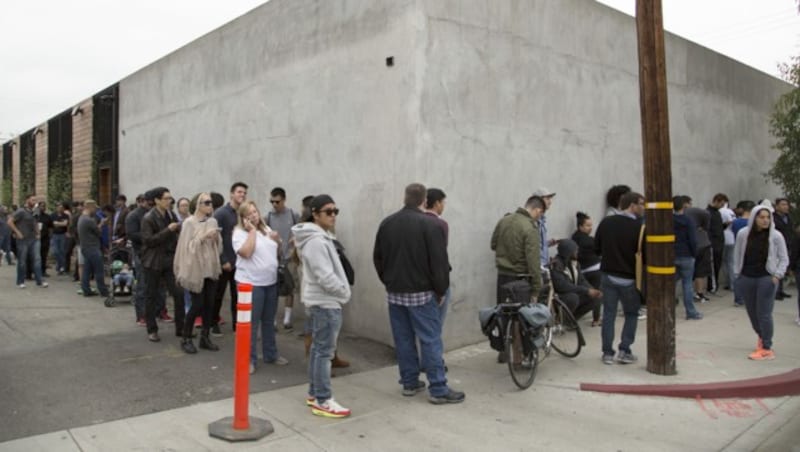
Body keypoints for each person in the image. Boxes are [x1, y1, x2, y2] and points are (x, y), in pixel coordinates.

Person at [374, 183, 464, 405]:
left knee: (403, 339)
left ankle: (409, 382)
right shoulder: (429, 225)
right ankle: (438, 388)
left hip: (395, 293)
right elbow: (439, 262)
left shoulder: (387, 223)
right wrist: (440, 289)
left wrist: (389, 281)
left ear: (405, 198)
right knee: (430, 339)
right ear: (424, 201)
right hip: (422, 293)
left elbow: (378, 258)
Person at [293, 194, 353, 417]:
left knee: (319, 351)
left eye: (335, 211)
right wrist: (343, 291)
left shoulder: (319, 237)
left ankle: (314, 393)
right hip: (325, 303)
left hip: (323, 302)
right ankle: (323, 399)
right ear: (315, 214)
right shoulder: (316, 241)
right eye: (328, 211)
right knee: (324, 353)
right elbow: (324, 276)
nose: (333, 215)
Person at [233, 200, 288, 372]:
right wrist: (251, 232)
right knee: (251, 324)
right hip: (251, 283)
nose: (253, 216)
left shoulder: (266, 229)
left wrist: (278, 241)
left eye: (254, 212)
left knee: (268, 321)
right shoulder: (239, 233)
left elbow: (276, 252)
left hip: (269, 282)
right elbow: (246, 253)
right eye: (248, 214)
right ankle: (249, 359)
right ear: (242, 218)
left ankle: (271, 354)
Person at [733, 203, 789, 361]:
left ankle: (767, 347)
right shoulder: (743, 234)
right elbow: (737, 254)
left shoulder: (776, 236)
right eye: (761, 217)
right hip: (747, 277)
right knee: (752, 313)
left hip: (766, 278)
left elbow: (784, 258)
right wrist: (738, 274)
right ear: (754, 218)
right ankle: (762, 336)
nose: (765, 221)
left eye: (768, 218)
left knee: (764, 313)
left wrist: (777, 275)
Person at [595, 191, 645, 365]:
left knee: (608, 315)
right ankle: (624, 350)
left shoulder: (606, 222)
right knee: (631, 314)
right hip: (630, 278)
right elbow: (644, 254)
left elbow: (597, 247)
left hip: (608, 275)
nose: (643, 208)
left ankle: (607, 353)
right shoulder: (640, 228)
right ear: (632, 205)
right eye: (641, 204)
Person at [173, 192, 222, 354]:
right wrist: (203, 237)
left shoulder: (213, 221)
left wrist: (215, 238)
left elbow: (218, 247)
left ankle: (205, 337)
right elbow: (185, 248)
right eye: (207, 202)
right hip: (196, 269)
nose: (210, 205)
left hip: (211, 267)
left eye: (211, 203)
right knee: (197, 304)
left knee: (210, 304)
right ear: (198, 205)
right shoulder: (189, 223)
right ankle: (186, 338)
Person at [141, 187, 184, 343]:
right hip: (153, 261)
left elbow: (173, 237)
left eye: (170, 198)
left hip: (169, 259)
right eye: (166, 198)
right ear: (157, 200)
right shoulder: (148, 217)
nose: (169, 201)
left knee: (179, 294)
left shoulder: (171, 214)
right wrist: (168, 230)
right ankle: (152, 329)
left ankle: (181, 328)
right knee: (151, 295)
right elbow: (149, 241)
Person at [213, 182, 248, 335]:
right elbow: (215, 239)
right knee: (217, 296)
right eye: (239, 192)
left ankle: (237, 325)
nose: (242, 195)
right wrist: (223, 260)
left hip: (239, 263)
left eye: (244, 193)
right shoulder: (221, 213)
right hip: (224, 263)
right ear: (231, 194)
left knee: (238, 296)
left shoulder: (242, 214)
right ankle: (213, 324)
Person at [265, 187, 301, 330]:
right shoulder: (268, 216)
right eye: (272, 201)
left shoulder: (293, 215)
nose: (274, 204)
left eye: (277, 201)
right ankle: (272, 319)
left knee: (290, 288)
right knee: (273, 289)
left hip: (290, 258)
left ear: (284, 200)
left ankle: (287, 319)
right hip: (274, 259)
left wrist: (295, 241)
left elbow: (299, 231)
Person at [549, 239, 602, 321]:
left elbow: (581, 280)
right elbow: (562, 287)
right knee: (573, 298)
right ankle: (562, 320)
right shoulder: (556, 265)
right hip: (560, 297)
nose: (577, 252)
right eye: (575, 250)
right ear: (568, 252)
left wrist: (592, 290)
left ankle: (572, 320)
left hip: (573, 293)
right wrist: (586, 290)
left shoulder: (574, 263)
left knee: (594, 297)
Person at [7, 194, 47, 288]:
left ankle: (39, 280)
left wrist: (38, 233)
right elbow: (9, 221)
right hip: (23, 239)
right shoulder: (21, 211)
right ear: (27, 200)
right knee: (22, 260)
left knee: (37, 259)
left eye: (35, 200)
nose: (34, 202)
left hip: (34, 239)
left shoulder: (35, 211)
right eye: (32, 200)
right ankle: (20, 281)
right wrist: (17, 232)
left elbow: (36, 222)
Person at [673, 195, 703, 320]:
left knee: (670, 284)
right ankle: (690, 312)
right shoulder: (688, 220)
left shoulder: (667, 220)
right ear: (684, 206)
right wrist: (694, 253)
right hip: (686, 254)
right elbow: (693, 239)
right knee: (687, 284)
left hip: (671, 255)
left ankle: (668, 309)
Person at [424, 188, 451, 323]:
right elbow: (440, 255)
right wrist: (441, 290)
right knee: (436, 324)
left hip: (420, 281)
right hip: (437, 281)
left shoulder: (418, 220)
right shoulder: (441, 224)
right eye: (443, 202)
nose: (443, 206)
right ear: (436, 203)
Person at [572, 212, 602, 326]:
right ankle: (596, 319)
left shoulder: (574, 237)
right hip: (594, 271)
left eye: (591, 225)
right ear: (580, 227)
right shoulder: (589, 241)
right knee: (596, 294)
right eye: (588, 225)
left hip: (582, 272)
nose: (590, 228)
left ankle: (573, 317)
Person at [77, 200, 109, 301]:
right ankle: (103, 291)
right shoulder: (89, 220)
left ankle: (86, 289)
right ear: (90, 207)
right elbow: (98, 232)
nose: (95, 210)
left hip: (85, 247)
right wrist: (102, 223)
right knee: (99, 270)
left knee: (87, 270)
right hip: (93, 247)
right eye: (95, 208)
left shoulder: (81, 218)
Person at [772, 198, 794, 300]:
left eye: (786, 204)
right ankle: (776, 291)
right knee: (777, 268)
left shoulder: (788, 217)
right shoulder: (773, 218)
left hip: (788, 245)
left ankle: (781, 290)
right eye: (783, 204)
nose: (785, 206)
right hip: (777, 247)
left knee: (784, 268)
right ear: (777, 206)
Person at [533, 188, 557, 267]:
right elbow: (532, 246)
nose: (550, 202)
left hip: (543, 265)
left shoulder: (542, 219)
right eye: (547, 198)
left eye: (550, 198)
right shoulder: (534, 220)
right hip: (537, 266)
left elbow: (538, 243)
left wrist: (548, 243)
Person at [51, 201, 70, 274]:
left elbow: (66, 224)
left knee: (62, 251)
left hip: (63, 235)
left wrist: (57, 223)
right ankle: (60, 265)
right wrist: (61, 224)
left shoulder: (65, 215)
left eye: (61, 207)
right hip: (55, 235)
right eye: (59, 207)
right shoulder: (52, 215)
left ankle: (60, 267)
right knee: (55, 251)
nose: (60, 208)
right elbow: (52, 224)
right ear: (56, 208)